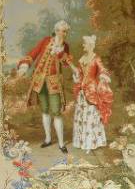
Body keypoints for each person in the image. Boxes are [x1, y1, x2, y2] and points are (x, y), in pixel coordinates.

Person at [17, 20, 78, 153]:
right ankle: (48, 139)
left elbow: (66, 63)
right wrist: (24, 66)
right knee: (44, 110)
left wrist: (62, 54)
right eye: (60, 30)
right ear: (55, 31)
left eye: (65, 31)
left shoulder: (65, 46)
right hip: (39, 80)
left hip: (54, 82)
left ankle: (61, 144)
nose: (63, 33)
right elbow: (34, 53)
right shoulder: (45, 41)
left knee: (56, 112)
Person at [72, 35, 113, 153]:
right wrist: (77, 76)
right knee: (82, 116)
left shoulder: (96, 58)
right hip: (82, 90)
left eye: (84, 43)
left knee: (91, 117)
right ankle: (81, 142)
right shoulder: (82, 59)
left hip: (92, 90)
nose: (83, 45)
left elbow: (102, 69)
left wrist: (103, 76)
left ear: (90, 45)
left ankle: (90, 143)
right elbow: (80, 73)